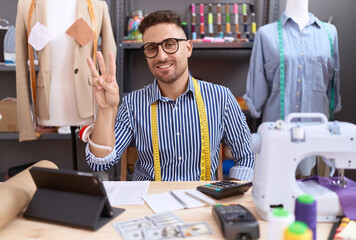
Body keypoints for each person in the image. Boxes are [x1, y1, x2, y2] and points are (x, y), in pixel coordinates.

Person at [85, 10, 254, 181]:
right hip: (147, 203)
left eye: (170, 44)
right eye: (151, 48)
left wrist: (228, 193)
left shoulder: (221, 98)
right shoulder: (132, 104)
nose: (161, 56)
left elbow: (247, 156)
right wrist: (105, 109)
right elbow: (99, 164)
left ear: (188, 48)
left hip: (200, 203)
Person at [243, 0, 341, 176]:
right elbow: (256, 88)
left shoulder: (330, 33)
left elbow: (333, 84)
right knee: (276, 195)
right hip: (278, 133)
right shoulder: (265, 34)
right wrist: (253, 107)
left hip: (317, 133)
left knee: (315, 192)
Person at [15, 0, 116, 141]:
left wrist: (106, 116)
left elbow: (109, 53)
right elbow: (20, 64)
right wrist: (26, 126)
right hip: (49, 104)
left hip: (86, 103)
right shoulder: (26, 5)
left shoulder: (97, 5)